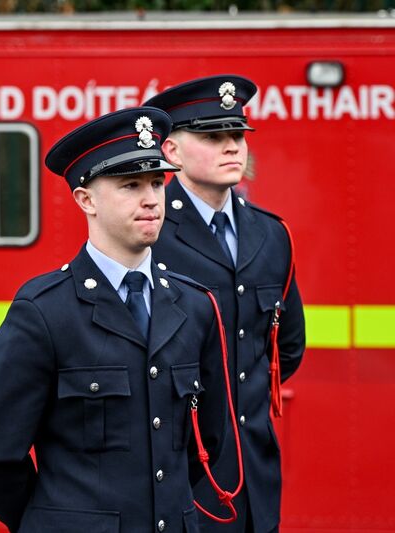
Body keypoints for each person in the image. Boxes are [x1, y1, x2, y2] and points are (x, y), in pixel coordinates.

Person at [0, 107, 234, 533]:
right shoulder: (45, 310)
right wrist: (53, 518)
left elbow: (208, 443)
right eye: (130, 185)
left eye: (157, 183)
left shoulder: (195, 305)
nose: (150, 199)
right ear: (85, 199)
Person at [145, 75, 306, 533]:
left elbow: (285, 348)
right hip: (179, 477)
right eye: (213, 136)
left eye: (236, 135)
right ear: (172, 152)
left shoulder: (271, 235)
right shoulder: (149, 234)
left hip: (254, 479)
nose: (232, 146)